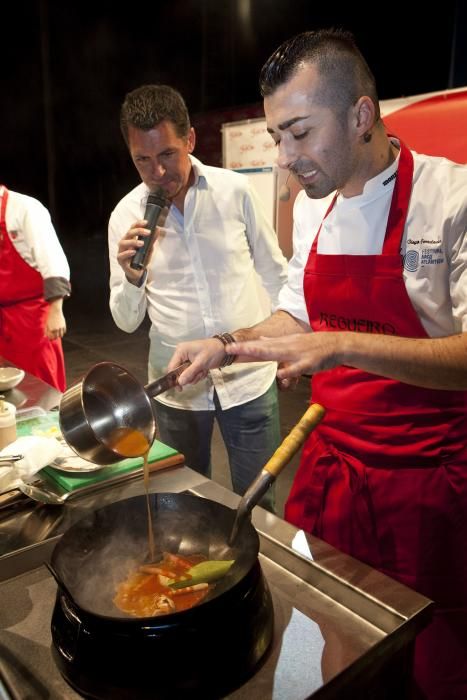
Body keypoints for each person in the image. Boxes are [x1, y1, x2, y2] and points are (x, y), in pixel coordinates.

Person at [167, 30, 467, 699]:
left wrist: (339, 345)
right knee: (340, 638)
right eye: (277, 136)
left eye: (299, 133)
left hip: (432, 484)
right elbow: (296, 314)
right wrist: (228, 341)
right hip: (335, 473)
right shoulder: (311, 210)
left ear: (360, 115)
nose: (284, 158)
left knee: (437, 659)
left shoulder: (451, 199)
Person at [108, 84, 287, 508]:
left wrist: (285, 349)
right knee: (182, 503)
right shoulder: (127, 215)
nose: (158, 173)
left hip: (249, 377)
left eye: (167, 154)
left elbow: (275, 273)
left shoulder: (235, 192)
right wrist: (133, 277)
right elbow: (126, 321)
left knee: (259, 504)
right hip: (177, 388)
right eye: (143, 160)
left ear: (189, 140)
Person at [0, 185, 71, 391]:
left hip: (33, 319)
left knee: (41, 385)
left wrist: (56, 311)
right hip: (3, 320)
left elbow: (52, 258)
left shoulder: (24, 208)